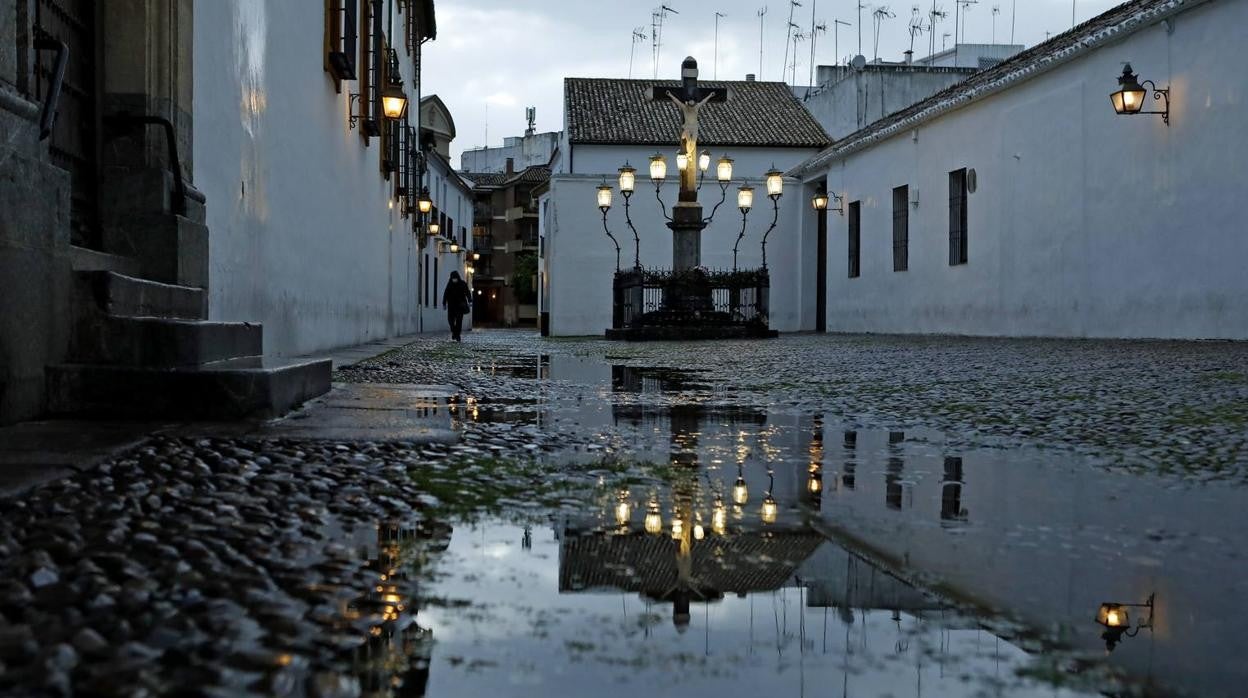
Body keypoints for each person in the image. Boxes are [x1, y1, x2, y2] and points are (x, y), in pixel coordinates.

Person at [441, 271, 472, 341]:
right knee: (450, 320)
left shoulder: (462, 284)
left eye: (455, 278)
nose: (454, 279)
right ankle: (454, 332)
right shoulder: (449, 284)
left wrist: (470, 300)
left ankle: (457, 335)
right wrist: (444, 303)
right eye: (453, 278)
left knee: (459, 321)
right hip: (451, 306)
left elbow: (467, 292)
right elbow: (446, 293)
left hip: (460, 306)